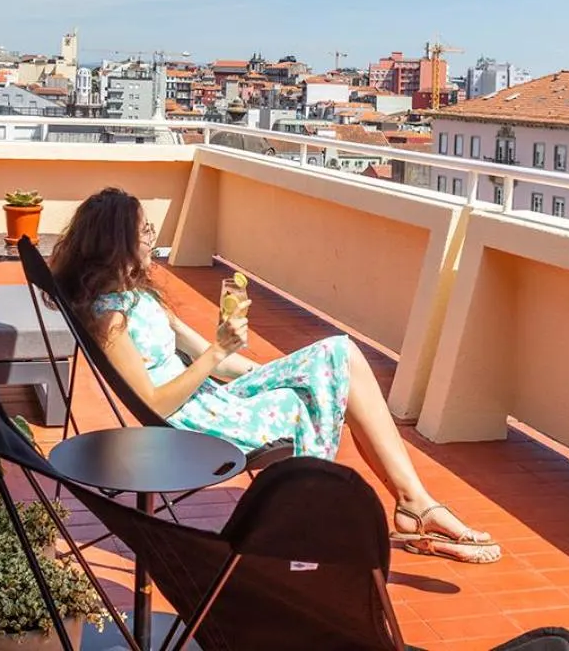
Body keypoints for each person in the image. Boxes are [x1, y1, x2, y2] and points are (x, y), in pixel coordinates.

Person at [49, 187, 500, 564]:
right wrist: (221, 351)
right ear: (119, 242)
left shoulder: (139, 297)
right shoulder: (111, 320)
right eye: (144, 231)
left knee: (336, 358)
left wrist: (280, 372)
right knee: (330, 372)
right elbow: (153, 403)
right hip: (196, 423)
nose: (152, 239)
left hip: (213, 399)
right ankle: (403, 507)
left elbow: (210, 357)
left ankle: (411, 504)